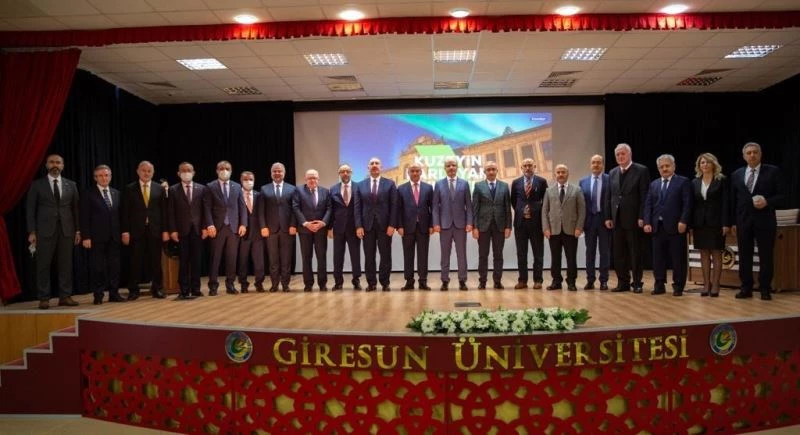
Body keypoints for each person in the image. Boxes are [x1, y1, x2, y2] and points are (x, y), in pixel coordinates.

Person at [26, 154, 81, 309]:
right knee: (43, 265)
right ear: (46, 165)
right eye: (51, 162)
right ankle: (44, 298)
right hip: (44, 231)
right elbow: (30, 210)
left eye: (58, 162)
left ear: (62, 166)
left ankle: (65, 296)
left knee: (66, 264)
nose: (55, 165)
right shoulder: (37, 185)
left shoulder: (71, 185)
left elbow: (76, 209)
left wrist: (78, 230)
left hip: (66, 230)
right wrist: (32, 231)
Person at [730, 142, 784, 301]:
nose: (752, 155)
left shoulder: (773, 171)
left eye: (755, 152)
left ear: (760, 154)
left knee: (766, 255)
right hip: (743, 221)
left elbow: (782, 196)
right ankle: (746, 287)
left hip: (765, 220)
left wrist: (767, 201)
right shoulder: (737, 174)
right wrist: (732, 222)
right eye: (749, 153)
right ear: (744, 156)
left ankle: (765, 288)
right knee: (744, 255)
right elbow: (733, 200)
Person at [643, 154, 693, 296]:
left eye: (667, 166)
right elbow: (648, 205)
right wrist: (647, 222)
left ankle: (678, 286)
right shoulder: (654, 184)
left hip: (676, 226)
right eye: (661, 167)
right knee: (658, 258)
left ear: (673, 166)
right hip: (657, 226)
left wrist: (683, 221)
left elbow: (687, 204)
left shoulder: (683, 182)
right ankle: (659, 284)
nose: (664, 169)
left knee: (678, 258)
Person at [605, 143, 650, 293]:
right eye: (617, 154)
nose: (620, 157)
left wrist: (642, 216)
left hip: (634, 219)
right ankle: (622, 282)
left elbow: (645, 196)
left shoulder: (641, 170)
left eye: (623, 154)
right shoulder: (612, 172)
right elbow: (609, 196)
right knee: (619, 253)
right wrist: (608, 216)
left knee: (635, 252)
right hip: (616, 219)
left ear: (629, 154)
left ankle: (637, 282)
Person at [121, 161, 168, 301]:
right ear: (138, 171)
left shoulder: (159, 189)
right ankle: (133, 290)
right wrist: (125, 231)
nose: (146, 173)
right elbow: (125, 212)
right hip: (136, 231)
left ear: (153, 173)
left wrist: (165, 230)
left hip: (155, 230)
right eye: (143, 170)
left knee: (156, 262)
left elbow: (164, 212)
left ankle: (157, 289)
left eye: (149, 171)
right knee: (135, 261)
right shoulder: (129, 188)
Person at [80, 165, 124, 305]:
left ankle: (114, 293)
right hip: (96, 237)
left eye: (106, 175)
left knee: (115, 266)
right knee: (98, 267)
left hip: (114, 237)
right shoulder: (88, 194)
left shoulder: (116, 193)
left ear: (110, 177)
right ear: (95, 178)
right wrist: (86, 236)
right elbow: (84, 217)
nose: (103, 178)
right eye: (100, 176)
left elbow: (121, 216)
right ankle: (98, 295)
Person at [354, 157, 397, 291]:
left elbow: (394, 206)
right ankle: (371, 283)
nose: (374, 165)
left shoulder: (390, 184)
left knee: (385, 255)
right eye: (371, 163)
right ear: (368, 167)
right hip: (367, 226)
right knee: (369, 256)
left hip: (385, 226)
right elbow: (357, 207)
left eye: (377, 163)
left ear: (381, 167)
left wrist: (392, 225)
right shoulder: (360, 185)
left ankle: (385, 283)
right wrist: (358, 226)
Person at [690, 153, 730, 298]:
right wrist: (690, 224)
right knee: (704, 254)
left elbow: (726, 203)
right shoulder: (695, 182)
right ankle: (706, 284)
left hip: (716, 222)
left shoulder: (721, 180)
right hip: (699, 223)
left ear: (713, 164)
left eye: (707, 162)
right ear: (699, 166)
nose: (705, 165)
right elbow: (692, 204)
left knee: (716, 253)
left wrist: (726, 223)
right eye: (702, 162)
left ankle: (716, 284)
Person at [205, 160, 246, 295]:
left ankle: (230, 284)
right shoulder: (210, 186)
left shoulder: (237, 186)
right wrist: (210, 224)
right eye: (221, 168)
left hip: (233, 228)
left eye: (227, 168)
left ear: (231, 171)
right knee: (215, 259)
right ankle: (213, 286)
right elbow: (207, 208)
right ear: (217, 171)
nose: (224, 171)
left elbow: (242, 207)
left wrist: (243, 224)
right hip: (217, 228)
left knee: (232, 258)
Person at [542, 164, 586, 291]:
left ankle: (571, 282)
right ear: (555, 174)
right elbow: (544, 211)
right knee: (555, 258)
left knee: (571, 258)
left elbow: (582, 210)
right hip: (554, 230)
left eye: (563, 172)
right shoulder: (549, 191)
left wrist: (579, 227)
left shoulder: (576, 190)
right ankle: (556, 281)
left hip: (571, 230)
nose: (561, 174)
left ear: (568, 174)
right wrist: (546, 228)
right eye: (558, 172)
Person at [168, 162, 208, 299]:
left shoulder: (202, 189)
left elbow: (205, 210)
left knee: (197, 261)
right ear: (178, 173)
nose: (186, 173)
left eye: (189, 170)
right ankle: (183, 290)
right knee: (183, 261)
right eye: (183, 171)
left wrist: (205, 227)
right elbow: (171, 212)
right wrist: (172, 230)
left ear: (193, 172)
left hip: (197, 230)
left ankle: (196, 289)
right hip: (181, 231)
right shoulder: (173, 190)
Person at [433, 156, 473, 291]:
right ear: (445, 168)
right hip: (444, 225)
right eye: (448, 165)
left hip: (461, 225)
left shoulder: (464, 184)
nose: (451, 168)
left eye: (453, 165)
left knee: (462, 254)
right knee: (445, 255)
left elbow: (469, 205)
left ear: (457, 167)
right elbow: (435, 206)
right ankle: (445, 280)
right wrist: (436, 223)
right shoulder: (439, 184)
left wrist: (469, 222)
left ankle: (462, 280)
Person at [471, 161, 511, 290]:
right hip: (483, 226)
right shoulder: (478, 186)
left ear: (497, 171)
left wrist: (508, 226)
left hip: (500, 226)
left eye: (493, 169)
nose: (491, 172)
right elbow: (475, 208)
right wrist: (475, 227)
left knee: (498, 255)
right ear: (484, 172)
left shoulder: (504, 186)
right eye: (488, 169)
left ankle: (497, 281)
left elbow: (507, 208)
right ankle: (482, 281)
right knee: (483, 255)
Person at [510, 158, 548, 289]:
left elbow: (545, 201)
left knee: (538, 253)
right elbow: (513, 201)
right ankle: (522, 280)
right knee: (521, 253)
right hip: (520, 223)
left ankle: (538, 280)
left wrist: (534, 210)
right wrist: (521, 210)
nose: (527, 168)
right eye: (525, 166)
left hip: (536, 223)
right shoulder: (516, 182)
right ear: (521, 168)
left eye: (530, 165)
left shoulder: (542, 182)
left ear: (534, 167)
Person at [259, 162, 297, 292]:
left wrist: (293, 225)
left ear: (284, 173)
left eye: (279, 171)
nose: (277, 173)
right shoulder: (264, 189)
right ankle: (274, 285)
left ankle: (285, 285)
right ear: (271, 173)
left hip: (287, 229)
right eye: (274, 171)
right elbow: (261, 210)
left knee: (286, 259)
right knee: (273, 259)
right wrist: (263, 226)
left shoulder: (292, 189)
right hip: (270, 230)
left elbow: (294, 210)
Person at [396, 162, 433, 291]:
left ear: (421, 172)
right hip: (407, 227)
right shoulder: (401, 188)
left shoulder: (428, 188)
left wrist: (431, 225)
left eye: (417, 171)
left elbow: (432, 208)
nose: (415, 173)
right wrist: (399, 226)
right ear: (408, 173)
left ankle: (423, 281)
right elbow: (398, 209)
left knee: (423, 254)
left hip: (423, 227)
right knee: (408, 255)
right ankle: (409, 281)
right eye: (412, 171)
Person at [293, 169, 332, 291]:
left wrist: (323, 223)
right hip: (305, 230)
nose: (312, 180)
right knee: (306, 257)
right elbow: (296, 207)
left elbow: (329, 208)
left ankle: (322, 284)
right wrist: (305, 223)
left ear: (318, 179)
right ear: (305, 179)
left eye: (314, 177)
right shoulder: (298, 190)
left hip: (321, 230)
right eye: (309, 178)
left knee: (321, 257)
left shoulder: (325, 191)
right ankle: (308, 284)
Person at [579, 155, 611, 290]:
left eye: (598, 162)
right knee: (590, 252)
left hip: (604, 220)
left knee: (604, 252)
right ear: (590, 165)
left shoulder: (609, 179)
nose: (596, 165)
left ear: (602, 164)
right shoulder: (583, 182)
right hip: (589, 221)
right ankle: (590, 280)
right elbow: (581, 204)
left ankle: (604, 280)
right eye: (593, 162)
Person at [328, 164, 362, 290]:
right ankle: (338, 282)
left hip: (354, 227)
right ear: (339, 174)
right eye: (342, 171)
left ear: (351, 173)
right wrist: (329, 228)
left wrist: (360, 226)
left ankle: (356, 280)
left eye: (347, 171)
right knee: (337, 256)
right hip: (338, 228)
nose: (345, 173)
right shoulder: (333, 189)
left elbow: (361, 208)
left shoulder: (358, 187)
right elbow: (331, 209)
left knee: (355, 255)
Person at [237, 171, 266, 293]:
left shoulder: (258, 195)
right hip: (242, 233)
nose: (248, 182)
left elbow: (262, 213)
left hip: (257, 233)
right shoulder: (237, 194)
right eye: (245, 179)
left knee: (259, 261)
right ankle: (243, 284)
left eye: (251, 179)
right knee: (242, 260)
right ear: (241, 181)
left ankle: (259, 283)